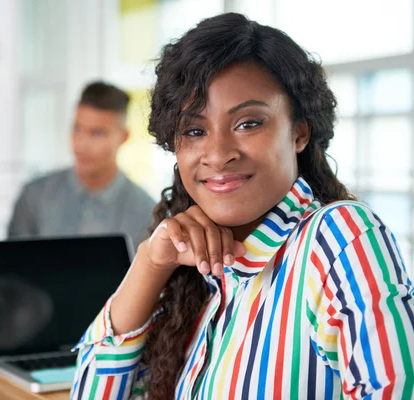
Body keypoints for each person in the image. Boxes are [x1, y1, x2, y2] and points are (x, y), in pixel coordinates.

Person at [71, 13, 414, 399]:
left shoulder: (337, 237)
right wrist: (151, 264)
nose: (217, 154)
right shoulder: (200, 283)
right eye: (195, 131)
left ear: (299, 132)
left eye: (249, 123)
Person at [8, 82, 155, 250]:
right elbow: (10, 271)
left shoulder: (146, 212)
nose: (81, 144)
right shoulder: (33, 196)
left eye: (97, 133)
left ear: (123, 137)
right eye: (77, 129)